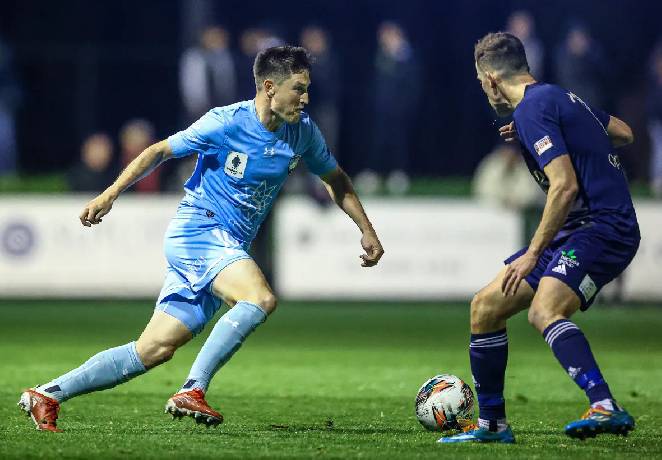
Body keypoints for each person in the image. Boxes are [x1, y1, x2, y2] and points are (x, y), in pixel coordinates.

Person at [18, 46, 384, 432]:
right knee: (259, 297)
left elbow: (335, 178)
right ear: (270, 87)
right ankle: (193, 389)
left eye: (307, 88)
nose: (306, 98)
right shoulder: (225, 122)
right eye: (299, 88)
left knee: (152, 350)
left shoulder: (303, 132)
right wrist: (110, 194)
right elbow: (160, 151)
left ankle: (48, 394)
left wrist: (367, 229)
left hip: (226, 247)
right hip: (199, 231)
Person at [440, 32, 639, 444]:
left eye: (480, 81)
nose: (482, 89)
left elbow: (564, 186)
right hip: (578, 229)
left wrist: (532, 253)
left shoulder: (534, 109)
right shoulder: (558, 98)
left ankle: (604, 404)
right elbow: (623, 132)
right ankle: (493, 426)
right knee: (485, 307)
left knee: (543, 310)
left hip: (603, 227)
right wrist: (564, 131)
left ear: (492, 79)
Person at [180, 26, 237, 123]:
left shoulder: (224, 57)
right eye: (211, 36)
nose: (214, 40)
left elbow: (228, 82)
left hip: (223, 109)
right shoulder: (193, 57)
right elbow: (189, 86)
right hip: (197, 110)